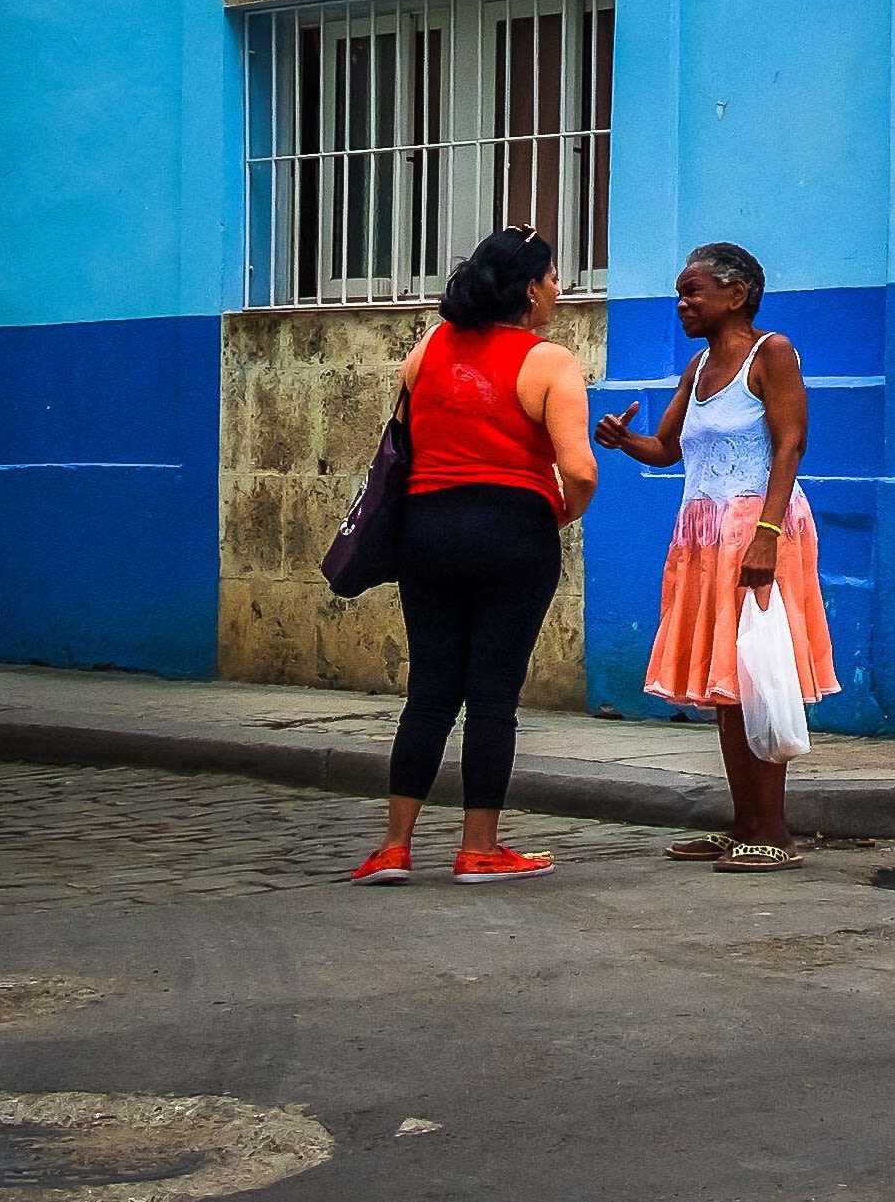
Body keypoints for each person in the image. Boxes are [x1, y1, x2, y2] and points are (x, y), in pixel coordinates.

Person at [350, 226, 595, 885]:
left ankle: (395, 846)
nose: (558, 288)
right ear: (529, 288)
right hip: (512, 531)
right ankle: (479, 847)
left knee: (429, 692)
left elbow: (403, 441)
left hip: (426, 530)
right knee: (492, 695)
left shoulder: (426, 351)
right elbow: (581, 469)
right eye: (552, 277)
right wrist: (561, 510)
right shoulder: (549, 362)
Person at [595, 242, 837, 870]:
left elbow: (791, 446)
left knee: (757, 677)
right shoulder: (698, 369)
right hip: (705, 537)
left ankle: (773, 833)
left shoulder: (772, 353)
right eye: (681, 292)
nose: (683, 303)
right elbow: (667, 450)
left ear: (738, 294)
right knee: (728, 685)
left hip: (756, 529)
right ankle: (745, 824)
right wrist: (625, 442)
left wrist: (767, 533)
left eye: (693, 290)